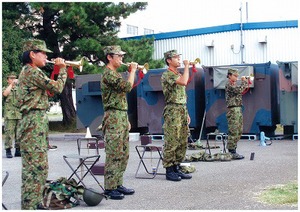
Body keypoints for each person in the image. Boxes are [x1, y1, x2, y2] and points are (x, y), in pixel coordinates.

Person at [16, 39, 67, 209]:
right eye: (43, 53)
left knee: (39, 166)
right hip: (32, 121)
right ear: (32, 54)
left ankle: (35, 201)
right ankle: (30, 205)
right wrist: (63, 70)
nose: (46, 56)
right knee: (34, 168)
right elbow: (57, 87)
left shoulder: (32, 72)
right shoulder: (32, 71)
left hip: (36, 120)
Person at [101, 45, 136, 200]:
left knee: (123, 153)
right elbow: (127, 87)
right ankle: (109, 187)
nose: (122, 59)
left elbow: (120, 98)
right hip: (113, 116)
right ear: (109, 57)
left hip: (120, 115)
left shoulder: (115, 73)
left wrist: (126, 118)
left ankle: (118, 183)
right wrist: (133, 71)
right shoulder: (108, 74)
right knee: (114, 153)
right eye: (119, 56)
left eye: (122, 56)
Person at [161, 50, 192, 181]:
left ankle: (177, 167)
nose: (179, 59)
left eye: (180, 57)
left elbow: (182, 95)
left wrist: (187, 112)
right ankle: (169, 169)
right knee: (172, 140)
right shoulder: (167, 74)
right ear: (169, 60)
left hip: (181, 109)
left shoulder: (177, 74)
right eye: (176, 58)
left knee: (182, 140)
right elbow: (184, 82)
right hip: (173, 110)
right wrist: (186, 66)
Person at [225, 68, 248, 160]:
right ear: (229, 76)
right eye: (235, 76)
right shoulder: (229, 85)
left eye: (237, 76)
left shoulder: (233, 84)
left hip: (237, 108)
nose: (236, 78)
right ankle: (232, 151)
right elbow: (239, 90)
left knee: (239, 130)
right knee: (234, 130)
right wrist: (244, 82)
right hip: (233, 109)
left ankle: (233, 149)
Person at [2, 72, 22, 158]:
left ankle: (18, 150)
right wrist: (11, 85)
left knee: (19, 133)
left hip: (19, 114)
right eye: (11, 78)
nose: (13, 80)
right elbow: (5, 94)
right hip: (9, 115)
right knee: (9, 133)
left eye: (14, 78)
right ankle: (8, 150)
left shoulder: (19, 89)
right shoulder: (5, 88)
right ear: (7, 80)